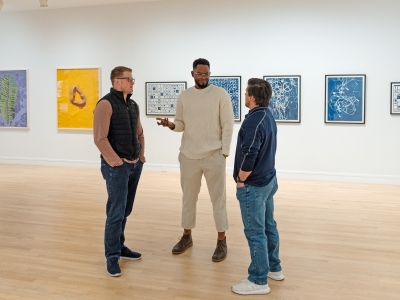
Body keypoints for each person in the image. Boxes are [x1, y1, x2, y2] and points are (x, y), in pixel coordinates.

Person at [156, 58, 234, 262]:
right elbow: (181, 124)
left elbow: (228, 124)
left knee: (219, 200)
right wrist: (171, 125)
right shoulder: (184, 97)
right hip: (189, 156)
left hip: (214, 155)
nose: (203, 77)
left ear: (210, 73)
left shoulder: (220, 95)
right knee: (188, 199)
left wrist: (224, 152)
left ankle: (221, 240)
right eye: (199, 74)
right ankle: (186, 236)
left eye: (206, 73)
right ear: (192, 74)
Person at [231, 78, 284, 295]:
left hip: (254, 185)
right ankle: (274, 268)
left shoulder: (254, 120)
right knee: (268, 225)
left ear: (252, 97)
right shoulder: (268, 115)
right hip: (268, 180)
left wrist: (241, 178)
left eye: (246, 93)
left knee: (255, 232)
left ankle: (258, 279)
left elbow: (250, 152)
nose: (244, 96)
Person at [93, 66, 145, 277]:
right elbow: (100, 138)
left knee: (125, 209)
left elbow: (140, 133)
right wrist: (116, 162)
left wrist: (140, 157)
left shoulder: (133, 105)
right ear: (117, 81)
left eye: (133, 78)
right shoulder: (105, 104)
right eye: (129, 79)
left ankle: (120, 246)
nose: (133, 82)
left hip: (134, 165)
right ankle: (112, 255)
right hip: (117, 167)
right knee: (116, 211)